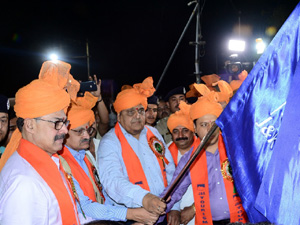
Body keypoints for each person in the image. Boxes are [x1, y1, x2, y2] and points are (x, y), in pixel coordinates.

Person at [0, 60, 82, 224]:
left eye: (65, 123)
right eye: (57, 123)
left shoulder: (50, 162)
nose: (65, 130)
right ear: (30, 125)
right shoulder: (24, 182)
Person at [59, 91, 158, 224]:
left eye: (88, 130)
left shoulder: (85, 156)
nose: (87, 137)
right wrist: (130, 214)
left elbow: (102, 194)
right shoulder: (60, 163)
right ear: (64, 132)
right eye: (79, 131)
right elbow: (84, 207)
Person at [160, 83, 248, 225]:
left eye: (213, 124)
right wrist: (156, 210)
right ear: (194, 128)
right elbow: (174, 191)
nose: (209, 129)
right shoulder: (189, 159)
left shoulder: (235, 149)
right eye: (203, 125)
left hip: (241, 220)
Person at [98, 77, 180, 225]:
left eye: (141, 110)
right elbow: (113, 181)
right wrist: (145, 198)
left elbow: (170, 170)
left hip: (162, 213)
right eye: (130, 112)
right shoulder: (109, 142)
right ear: (119, 116)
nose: (137, 116)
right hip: (134, 218)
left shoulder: (153, 133)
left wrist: (175, 206)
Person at [167, 101, 200, 225]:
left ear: (193, 131)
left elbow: (215, 187)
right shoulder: (165, 153)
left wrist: (194, 208)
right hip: (173, 218)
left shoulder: (204, 151)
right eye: (175, 131)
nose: (180, 135)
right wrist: (173, 209)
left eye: (185, 130)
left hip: (202, 213)